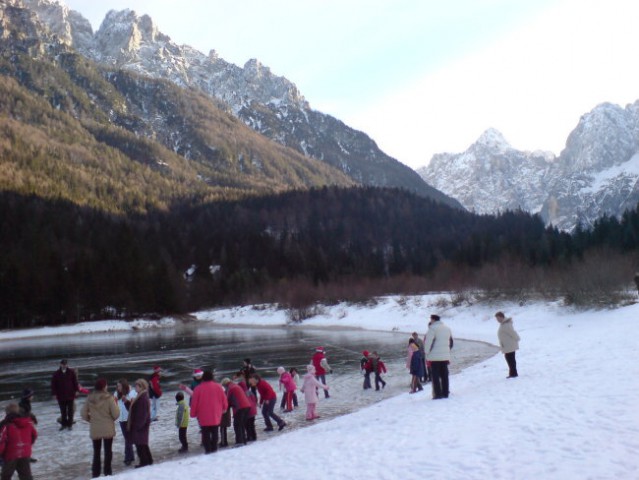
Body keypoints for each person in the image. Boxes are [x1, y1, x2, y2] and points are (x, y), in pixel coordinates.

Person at [81, 378, 120, 478]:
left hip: (95, 428)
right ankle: (107, 472)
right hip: (107, 428)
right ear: (104, 387)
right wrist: (110, 419)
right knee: (108, 451)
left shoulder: (90, 398)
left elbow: (83, 413)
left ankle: (96, 473)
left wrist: (90, 419)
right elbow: (116, 414)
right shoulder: (109, 398)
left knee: (96, 452)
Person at [190, 370, 228, 454]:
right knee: (215, 431)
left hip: (203, 415)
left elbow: (194, 402)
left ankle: (208, 450)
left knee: (205, 432)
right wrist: (225, 408)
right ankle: (214, 448)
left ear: (203, 378)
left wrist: (193, 413)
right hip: (216, 413)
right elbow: (224, 399)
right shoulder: (218, 387)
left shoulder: (198, 389)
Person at [0, 403, 37, 480]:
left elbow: (2, 441)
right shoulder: (28, 422)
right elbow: (34, 435)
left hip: (10, 454)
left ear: (7, 413)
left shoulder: (6, 425)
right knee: (26, 475)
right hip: (25, 452)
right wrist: (27, 444)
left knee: (6, 475)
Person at [424, 314, 453, 400]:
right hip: (445, 356)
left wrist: (426, 352)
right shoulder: (447, 328)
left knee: (435, 376)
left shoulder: (432, 329)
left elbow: (428, 342)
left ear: (433, 319)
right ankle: (445, 392)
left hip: (434, 356)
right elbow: (450, 342)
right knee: (444, 375)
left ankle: (438, 394)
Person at [127, 379, 153, 468]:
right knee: (143, 444)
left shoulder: (142, 398)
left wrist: (138, 426)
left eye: (137, 386)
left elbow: (143, 414)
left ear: (142, 387)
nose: (135, 387)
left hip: (140, 426)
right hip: (140, 425)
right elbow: (135, 409)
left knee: (140, 445)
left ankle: (144, 462)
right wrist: (127, 403)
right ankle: (148, 460)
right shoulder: (141, 396)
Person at [51, 359, 79, 430]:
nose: (64, 365)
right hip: (61, 396)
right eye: (63, 364)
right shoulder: (56, 374)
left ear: (67, 364)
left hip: (70, 395)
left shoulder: (71, 372)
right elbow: (53, 385)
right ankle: (63, 425)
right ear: (60, 364)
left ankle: (70, 425)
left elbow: (75, 382)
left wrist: (76, 390)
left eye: (65, 364)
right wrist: (54, 394)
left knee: (70, 411)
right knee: (63, 411)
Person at [221, 378, 251, 446]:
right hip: (247, 406)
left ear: (225, 384)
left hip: (240, 407)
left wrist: (224, 408)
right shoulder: (236, 386)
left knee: (237, 425)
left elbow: (227, 400)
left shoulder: (230, 388)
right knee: (242, 425)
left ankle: (239, 442)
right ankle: (243, 440)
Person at [114, 379, 136, 466]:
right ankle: (131, 456)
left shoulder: (131, 393)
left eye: (119, 386)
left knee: (128, 438)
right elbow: (114, 404)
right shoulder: (116, 394)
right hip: (121, 419)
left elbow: (134, 404)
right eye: (117, 386)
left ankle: (128, 458)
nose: (118, 387)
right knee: (127, 438)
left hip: (129, 418)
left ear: (123, 386)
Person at [495, 311, 521, 378]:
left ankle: (513, 374)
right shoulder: (504, 324)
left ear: (501, 317)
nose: (497, 320)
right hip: (507, 345)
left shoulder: (506, 324)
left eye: (498, 318)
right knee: (510, 359)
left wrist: (517, 338)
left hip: (509, 345)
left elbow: (512, 332)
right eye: (496, 319)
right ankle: (513, 373)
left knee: (510, 359)